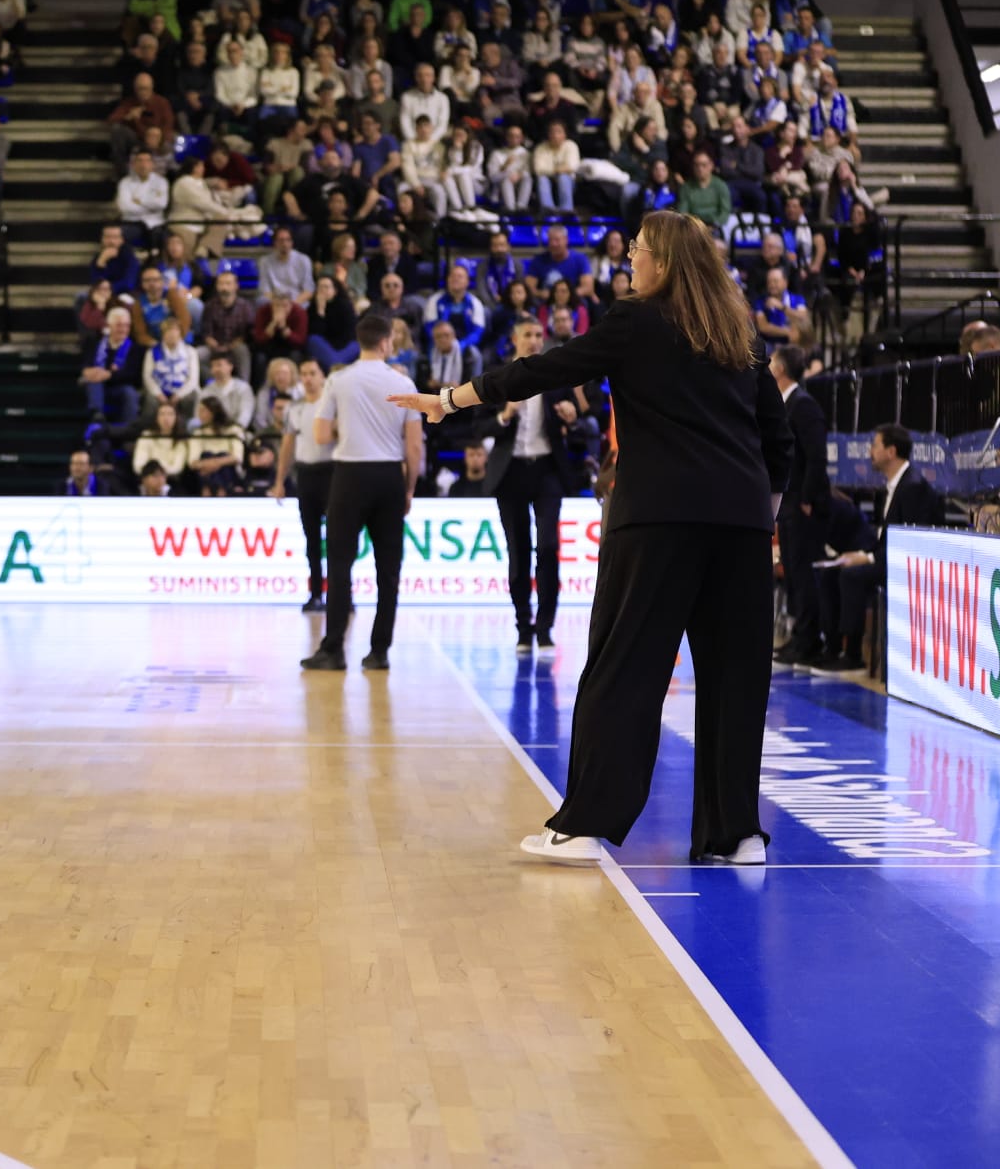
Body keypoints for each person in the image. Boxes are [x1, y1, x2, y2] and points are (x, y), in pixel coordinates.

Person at [391, 210, 792, 865]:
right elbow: (779, 439)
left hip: (658, 518)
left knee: (623, 668)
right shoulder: (739, 328)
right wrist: (761, 511)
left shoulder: (635, 321)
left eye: (636, 251)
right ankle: (738, 833)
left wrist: (452, 398)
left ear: (660, 260)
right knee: (737, 679)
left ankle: (585, 825)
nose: (628, 261)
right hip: (741, 524)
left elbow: (543, 369)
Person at [302, 315, 423, 671]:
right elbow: (414, 448)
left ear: (360, 341)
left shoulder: (339, 380)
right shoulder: (403, 382)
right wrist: (409, 486)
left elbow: (321, 435)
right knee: (388, 569)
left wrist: (350, 427)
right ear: (387, 342)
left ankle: (334, 648)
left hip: (349, 476)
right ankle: (379, 651)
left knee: (339, 563)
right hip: (389, 475)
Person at [471, 317, 594, 652]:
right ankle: (523, 626)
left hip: (547, 471)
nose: (534, 340)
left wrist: (574, 418)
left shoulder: (556, 378)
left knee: (549, 547)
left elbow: (581, 433)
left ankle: (545, 627)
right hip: (510, 472)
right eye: (527, 334)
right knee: (518, 551)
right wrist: (503, 417)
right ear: (514, 339)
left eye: (539, 335)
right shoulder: (497, 379)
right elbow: (478, 428)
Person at [821, 424, 942, 675]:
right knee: (832, 571)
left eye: (875, 445)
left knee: (851, 575)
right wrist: (862, 554)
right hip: (889, 555)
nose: (870, 451)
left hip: (909, 562)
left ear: (891, 451)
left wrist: (866, 557)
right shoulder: (892, 486)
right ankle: (832, 648)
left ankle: (854, 655)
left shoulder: (913, 487)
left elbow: (908, 542)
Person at [771, 345, 830, 668]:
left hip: (803, 505)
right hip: (790, 503)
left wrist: (807, 498)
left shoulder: (803, 406)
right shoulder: (787, 404)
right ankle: (797, 637)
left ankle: (809, 641)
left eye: (771, 364)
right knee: (793, 572)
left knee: (804, 573)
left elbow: (817, 456)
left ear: (781, 369)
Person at [271, 358, 334, 611]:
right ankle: (316, 593)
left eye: (312, 373)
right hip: (306, 474)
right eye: (304, 374)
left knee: (337, 538)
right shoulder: (294, 409)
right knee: (311, 538)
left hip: (332, 472)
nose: (308, 378)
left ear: (322, 377)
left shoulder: (332, 406)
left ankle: (343, 594)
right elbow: (287, 446)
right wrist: (280, 480)